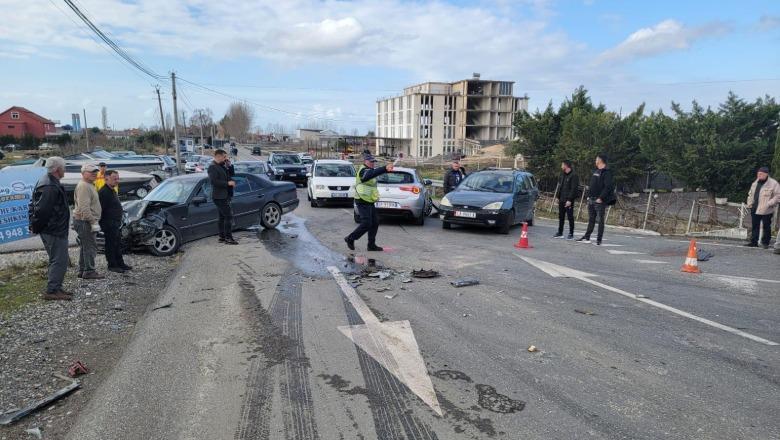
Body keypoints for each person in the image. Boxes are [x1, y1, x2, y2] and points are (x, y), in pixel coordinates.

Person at [30, 157, 72, 300]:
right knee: (59, 259)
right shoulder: (49, 185)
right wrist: (36, 226)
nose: (65, 169)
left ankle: (57, 287)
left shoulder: (49, 182)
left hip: (54, 229)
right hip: (53, 230)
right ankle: (52, 290)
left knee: (59, 259)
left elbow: (34, 205)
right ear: (57, 169)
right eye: (63, 167)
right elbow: (42, 210)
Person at [345, 154, 394, 251]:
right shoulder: (363, 170)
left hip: (369, 200)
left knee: (375, 222)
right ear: (366, 161)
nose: (373, 163)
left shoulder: (370, 170)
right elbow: (369, 175)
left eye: (374, 162)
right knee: (367, 223)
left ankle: (371, 245)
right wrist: (384, 168)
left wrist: (387, 169)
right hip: (362, 200)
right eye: (371, 161)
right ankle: (350, 238)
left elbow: (374, 174)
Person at [73, 163, 104, 279]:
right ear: (83, 173)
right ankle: (90, 271)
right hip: (85, 221)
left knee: (85, 246)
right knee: (90, 246)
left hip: (84, 221)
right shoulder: (84, 186)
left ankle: (83, 270)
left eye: (95, 172)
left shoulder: (89, 184)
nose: (95, 174)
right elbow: (84, 208)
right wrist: (93, 222)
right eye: (91, 172)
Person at [577, 154, 614, 245]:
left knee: (600, 220)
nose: (595, 160)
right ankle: (587, 236)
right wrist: (588, 196)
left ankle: (599, 239)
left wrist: (601, 198)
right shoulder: (596, 171)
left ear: (601, 160)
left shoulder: (607, 172)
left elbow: (607, 187)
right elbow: (592, 185)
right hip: (591, 199)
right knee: (591, 219)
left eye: (596, 159)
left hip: (599, 200)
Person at [98, 170, 132, 273]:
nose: (117, 181)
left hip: (115, 222)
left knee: (117, 243)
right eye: (114, 179)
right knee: (111, 244)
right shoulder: (103, 192)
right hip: (108, 222)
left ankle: (120, 263)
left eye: (118, 178)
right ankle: (112, 265)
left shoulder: (112, 190)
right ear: (106, 179)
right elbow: (100, 209)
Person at [744, 166, 780, 249]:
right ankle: (754, 242)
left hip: (767, 209)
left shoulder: (773, 183)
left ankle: (765, 243)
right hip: (755, 207)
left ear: (766, 174)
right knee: (755, 225)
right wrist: (749, 203)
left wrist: (769, 203)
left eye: (761, 174)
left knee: (766, 226)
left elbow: (778, 196)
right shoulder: (755, 182)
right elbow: (750, 194)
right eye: (758, 174)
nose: (758, 175)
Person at [208, 149, 237, 244]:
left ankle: (222, 237)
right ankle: (228, 238)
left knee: (222, 217)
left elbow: (231, 174)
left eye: (226, 157)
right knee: (228, 216)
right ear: (218, 156)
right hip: (219, 196)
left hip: (225, 195)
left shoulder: (222, 166)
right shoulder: (212, 167)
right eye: (224, 157)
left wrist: (229, 165)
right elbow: (214, 182)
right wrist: (228, 183)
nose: (226, 158)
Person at [554, 160, 578, 239]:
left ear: (566, 166)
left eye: (562, 165)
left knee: (570, 217)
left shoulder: (574, 175)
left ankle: (571, 233)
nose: (561, 166)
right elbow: (560, 186)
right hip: (561, 199)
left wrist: (569, 200)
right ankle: (560, 232)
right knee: (561, 216)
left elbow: (573, 189)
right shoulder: (562, 175)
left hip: (568, 201)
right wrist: (558, 197)